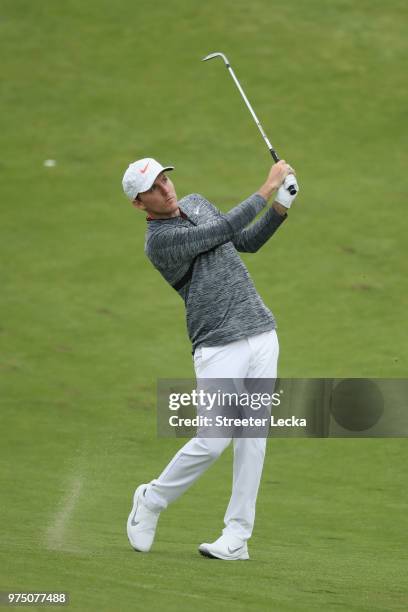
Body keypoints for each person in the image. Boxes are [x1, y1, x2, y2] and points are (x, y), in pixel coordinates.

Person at [121, 157, 299, 560]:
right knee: (214, 440)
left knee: (253, 439)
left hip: (261, 332)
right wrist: (267, 185)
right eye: (154, 187)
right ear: (139, 203)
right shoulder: (160, 242)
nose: (165, 188)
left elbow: (245, 241)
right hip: (218, 343)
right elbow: (224, 229)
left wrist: (280, 206)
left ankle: (237, 537)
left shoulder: (198, 202)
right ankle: (151, 500)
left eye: (165, 179)